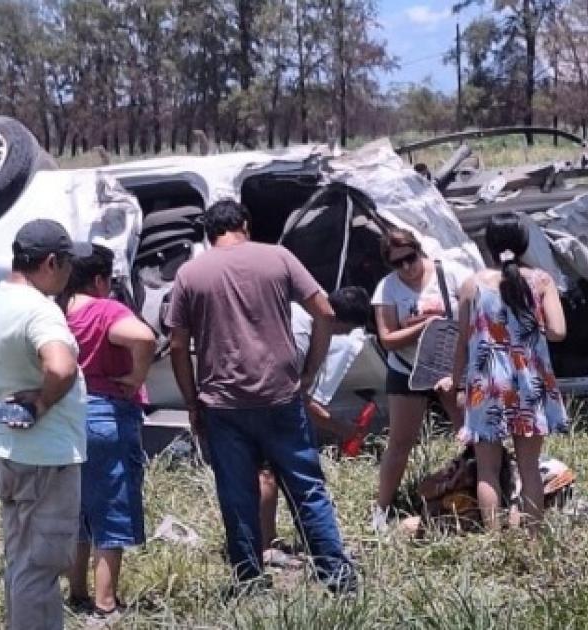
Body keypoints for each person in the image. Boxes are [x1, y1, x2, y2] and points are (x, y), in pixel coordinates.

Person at [165, 200, 356, 593]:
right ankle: (337, 577)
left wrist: (191, 401)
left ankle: (250, 582)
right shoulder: (279, 258)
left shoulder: (189, 274)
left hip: (223, 403)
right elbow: (324, 312)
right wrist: (309, 371)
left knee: (238, 497)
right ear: (245, 224)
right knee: (306, 488)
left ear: (208, 233)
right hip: (281, 396)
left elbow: (178, 344)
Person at [0, 219, 87, 630]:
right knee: (41, 569)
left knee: (22, 562)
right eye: (66, 267)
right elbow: (61, 366)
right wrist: (41, 401)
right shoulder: (39, 310)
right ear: (51, 262)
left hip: (5, 452)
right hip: (46, 458)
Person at [444, 214, 567, 530]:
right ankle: (533, 536)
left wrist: (455, 381)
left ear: (490, 244)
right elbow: (558, 331)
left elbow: (462, 341)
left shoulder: (473, 285)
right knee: (528, 466)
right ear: (524, 243)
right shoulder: (541, 281)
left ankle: (494, 539)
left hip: (487, 384)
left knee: (487, 467)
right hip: (529, 382)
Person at [57, 243, 156, 622]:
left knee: (79, 511)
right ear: (100, 279)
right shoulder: (106, 309)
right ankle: (106, 603)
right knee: (112, 508)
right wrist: (136, 376)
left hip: (68, 416)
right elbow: (144, 337)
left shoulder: (57, 312)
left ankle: (78, 592)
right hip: (107, 416)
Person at [259, 286, 373, 560]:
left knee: (274, 475)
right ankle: (267, 545)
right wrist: (341, 428)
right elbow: (293, 395)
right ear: (335, 319)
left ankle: (270, 540)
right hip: (265, 409)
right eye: (342, 332)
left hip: (264, 405)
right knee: (270, 476)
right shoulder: (300, 334)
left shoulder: (298, 315)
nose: (338, 338)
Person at [370, 228, 468, 532]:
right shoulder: (387, 289)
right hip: (408, 368)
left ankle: (484, 490)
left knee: (470, 433)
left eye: (410, 259)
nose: (406, 268)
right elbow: (387, 339)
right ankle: (381, 510)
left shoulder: (451, 274)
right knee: (400, 442)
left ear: (420, 251)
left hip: (451, 365)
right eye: (397, 263)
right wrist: (425, 324)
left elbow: (475, 311)